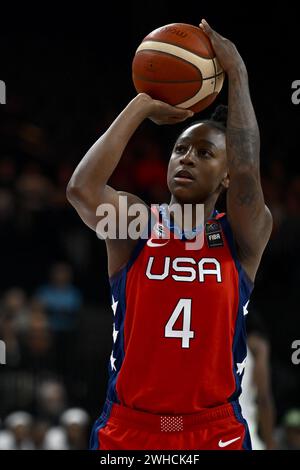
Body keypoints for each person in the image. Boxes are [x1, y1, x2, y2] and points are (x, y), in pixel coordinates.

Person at [67, 19, 273, 450]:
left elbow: (250, 171)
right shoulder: (138, 223)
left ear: (228, 175)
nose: (186, 159)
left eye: (204, 153)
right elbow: (82, 191)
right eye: (180, 149)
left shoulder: (243, 235)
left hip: (215, 430)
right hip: (129, 429)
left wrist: (238, 74)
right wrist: (141, 106)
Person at [239, 312, 277, 449]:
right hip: (244, 435)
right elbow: (264, 399)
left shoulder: (215, 345)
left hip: (212, 434)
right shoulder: (257, 347)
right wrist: (270, 442)